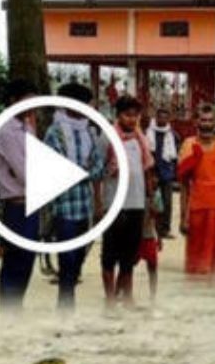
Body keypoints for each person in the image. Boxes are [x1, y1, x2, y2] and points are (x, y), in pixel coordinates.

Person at [44, 83, 104, 309]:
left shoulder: (89, 131)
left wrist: (79, 171)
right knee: (67, 258)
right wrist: (84, 170)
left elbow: (99, 167)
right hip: (63, 207)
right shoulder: (54, 131)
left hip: (84, 206)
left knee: (79, 257)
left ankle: (68, 299)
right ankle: (65, 306)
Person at [0, 77, 40, 308]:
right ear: (13, 101)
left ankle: (15, 309)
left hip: (30, 203)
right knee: (16, 261)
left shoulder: (27, 127)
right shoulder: (7, 131)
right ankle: (8, 312)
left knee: (27, 261)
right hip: (16, 205)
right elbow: (25, 171)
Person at [101, 95, 154, 305]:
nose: (131, 119)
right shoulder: (107, 138)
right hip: (114, 204)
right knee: (110, 253)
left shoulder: (141, 139)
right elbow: (97, 169)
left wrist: (149, 200)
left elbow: (147, 169)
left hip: (136, 203)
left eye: (135, 115)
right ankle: (110, 297)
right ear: (118, 115)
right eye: (127, 115)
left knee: (130, 253)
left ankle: (128, 295)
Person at [178, 105, 215, 280]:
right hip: (198, 210)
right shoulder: (189, 145)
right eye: (203, 120)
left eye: (210, 120)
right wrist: (183, 217)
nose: (207, 124)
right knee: (196, 261)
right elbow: (184, 185)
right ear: (197, 122)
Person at [148, 106, 180, 237]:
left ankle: (165, 229)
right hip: (153, 173)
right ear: (156, 118)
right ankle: (153, 229)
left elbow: (175, 154)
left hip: (167, 173)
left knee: (167, 202)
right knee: (153, 202)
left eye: (165, 117)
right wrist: (152, 174)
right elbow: (149, 153)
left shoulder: (172, 135)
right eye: (160, 116)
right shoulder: (149, 133)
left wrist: (173, 170)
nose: (163, 119)